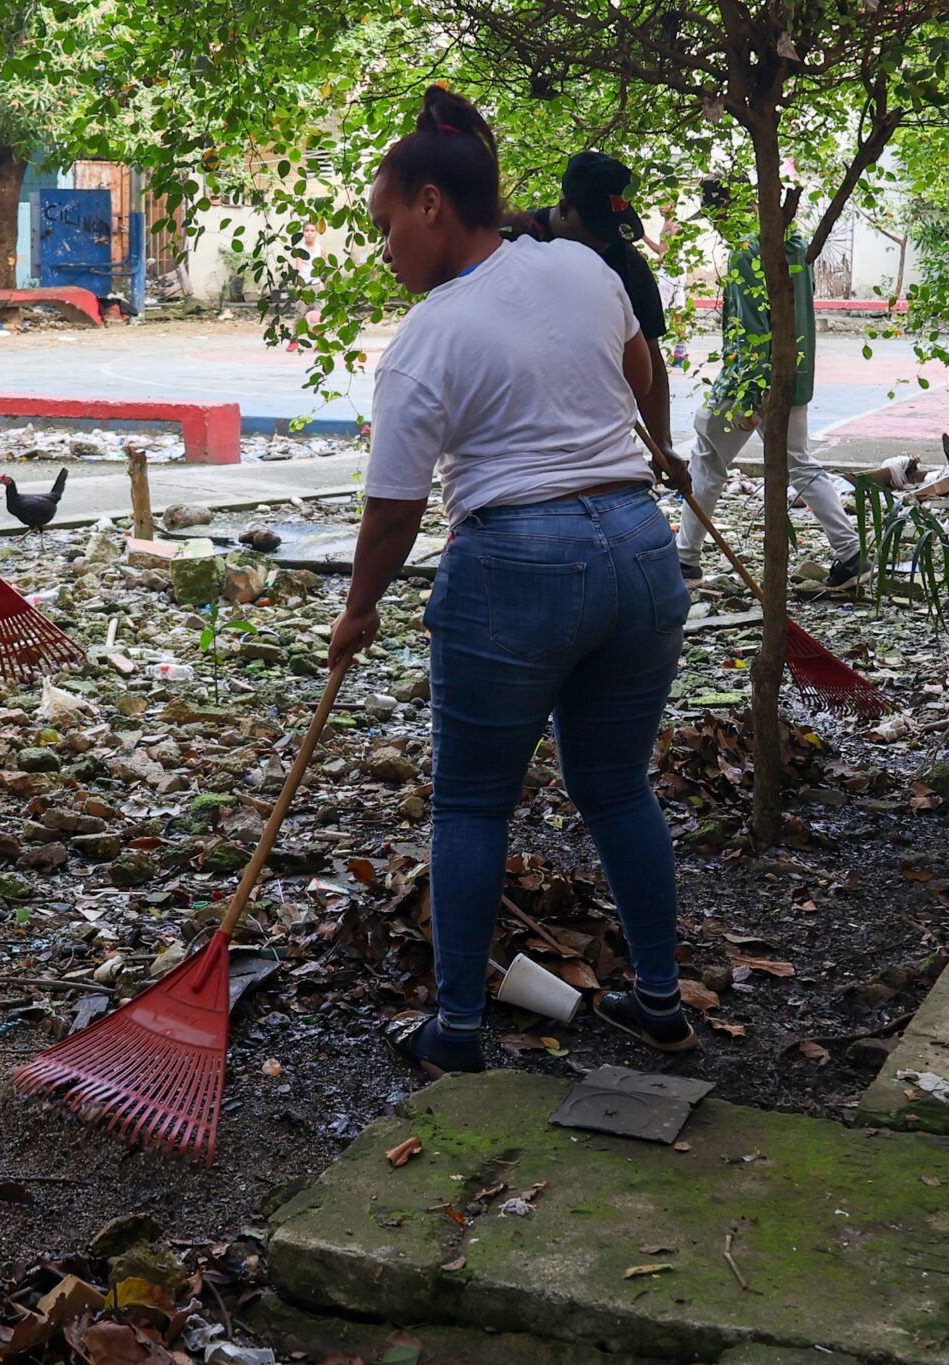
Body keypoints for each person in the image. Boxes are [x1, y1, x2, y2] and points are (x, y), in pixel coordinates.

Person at [329, 86, 697, 1075]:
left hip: (517, 564)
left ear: (430, 206)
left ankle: (455, 1030)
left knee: (470, 804)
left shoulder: (425, 339)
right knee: (617, 785)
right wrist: (615, 433)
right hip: (636, 546)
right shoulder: (579, 265)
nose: (385, 247)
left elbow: (395, 508)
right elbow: (637, 365)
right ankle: (657, 1002)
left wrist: (356, 609)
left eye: (384, 223)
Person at [677, 179, 867, 591]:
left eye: (714, 217)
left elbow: (750, 329)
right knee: (799, 461)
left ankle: (685, 561)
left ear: (725, 210)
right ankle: (851, 553)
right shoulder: (793, 242)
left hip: (752, 379)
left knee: (706, 460)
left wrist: (746, 395)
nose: (716, 226)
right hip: (793, 376)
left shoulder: (746, 250)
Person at [506, 151, 680, 478]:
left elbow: (650, 357)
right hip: (517, 444)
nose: (605, 243)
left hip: (594, 444)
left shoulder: (625, 263)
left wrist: (662, 443)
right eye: (597, 230)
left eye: (613, 232)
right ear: (566, 209)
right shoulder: (509, 243)